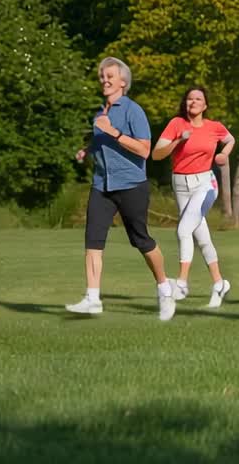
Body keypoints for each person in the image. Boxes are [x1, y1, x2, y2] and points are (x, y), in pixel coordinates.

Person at [66, 57, 176, 321]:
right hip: (101, 185)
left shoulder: (132, 111)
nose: (104, 80)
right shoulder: (100, 114)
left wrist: (113, 132)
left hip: (131, 185)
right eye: (102, 76)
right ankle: (92, 298)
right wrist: (88, 150)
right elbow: (100, 140)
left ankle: (164, 289)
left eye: (110, 76)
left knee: (141, 240)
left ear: (123, 82)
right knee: (93, 241)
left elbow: (144, 149)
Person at [151, 86, 234, 308]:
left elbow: (230, 140)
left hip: (206, 184)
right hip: (180, 184)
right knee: (201, 236)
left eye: (198, 99)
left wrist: (224, 154)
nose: (193, 102)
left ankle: (182, 282)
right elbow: (156, 154)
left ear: (205, 105)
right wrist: (178, 140)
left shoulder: (214, 127)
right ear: (185, 103)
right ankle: (219, 283)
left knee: (183, 230)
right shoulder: (176, 125)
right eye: (189, 99)